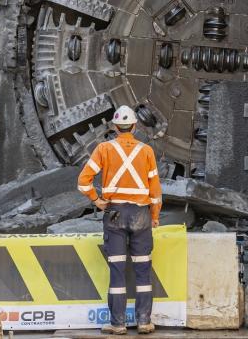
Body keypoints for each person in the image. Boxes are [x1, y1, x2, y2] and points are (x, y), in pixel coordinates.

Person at [77, 105, 162, 335]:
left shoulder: (104, 149)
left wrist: (97, 200)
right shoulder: (146, 151)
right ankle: (144, 321)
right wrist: (154, 217)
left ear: (115, 127)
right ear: (134, 126)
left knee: (117, 270)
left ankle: (118, 324)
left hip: (114, 214)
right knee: (143, 270)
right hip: (141, 216)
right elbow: (155, 191)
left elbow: (83, 181)